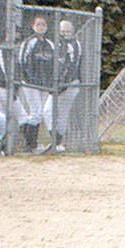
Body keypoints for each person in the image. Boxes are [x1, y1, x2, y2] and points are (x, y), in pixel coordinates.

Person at [16, 15, 55, 154]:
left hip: (44, 84)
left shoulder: (50, 44)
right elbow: (22, 61)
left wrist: (49, 81)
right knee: (36, 112)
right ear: (33, 27)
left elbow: (54, 63)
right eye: (38, 24)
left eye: (43, 24)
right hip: (31, 83)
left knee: (39, 113)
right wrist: (29, 79)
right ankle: (30, 144)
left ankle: (32, 144)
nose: (41, 27)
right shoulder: (29, 42)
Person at [53, 19, 83, 152]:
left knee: (62, 113)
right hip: (59, 84)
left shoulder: (74, 45)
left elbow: (71, 65)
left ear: (73, 32)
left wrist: (63, 83)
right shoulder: (56, 44)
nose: (65, 34)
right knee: (49, 111)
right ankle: (56, 141)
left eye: (68, 31)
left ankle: (58, 142)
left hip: (70, 83)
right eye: (62, 31)